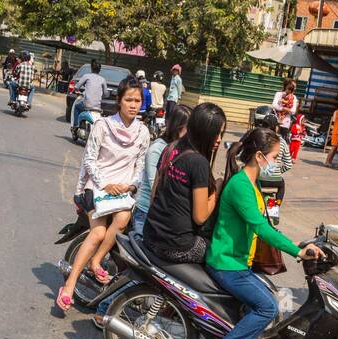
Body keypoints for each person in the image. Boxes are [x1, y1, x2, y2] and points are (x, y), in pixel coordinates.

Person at [202, 127, 321, 339]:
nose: (276, 163)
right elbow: (260, 227)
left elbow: (262, 227)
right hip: (227, 263)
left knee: (269, 300)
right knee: (267, 307)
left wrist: (297, 242)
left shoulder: (251, 184)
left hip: (238, 262)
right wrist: (297, 251)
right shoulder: (241, 186)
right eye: (275, 157)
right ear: (259, 156)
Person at [58, 77, 150, 312]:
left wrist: (129, 186)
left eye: (137, 100)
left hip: (123, 191)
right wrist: (102, 185)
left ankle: (96, 260)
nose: (133, 104)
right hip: (97, 187)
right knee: (98, 231)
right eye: (128, 99)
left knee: (122, 220)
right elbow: (89, 159)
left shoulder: (143, 133)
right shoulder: (102, 126)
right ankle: (69, 285)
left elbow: (140, 167)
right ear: (119, 101)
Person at [142, 102, 227, 265]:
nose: (219, 140)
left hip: (150, 236)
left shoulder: (170, 148)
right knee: (222, 255)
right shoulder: (199, 162)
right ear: (201, 132)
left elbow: (154, 197)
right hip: (178, 248)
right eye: (215, 134)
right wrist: (215, 190)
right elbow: (200, 217)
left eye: (221, 134)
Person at [133, 103, 190, 239]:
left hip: (167, 214)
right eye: (190, 128)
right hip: (146, 212)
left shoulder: (184, 150)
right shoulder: (157, 149)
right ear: (179, 127)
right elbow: (157, 187)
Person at [72, 58, 106, 126]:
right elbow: (106, 93)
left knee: (76, 106)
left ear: (91, 68)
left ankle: (75, 126)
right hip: (98, 107)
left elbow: (76, 87)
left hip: (86, 105)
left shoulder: (86, 76)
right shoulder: (103, 80)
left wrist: (74, 91)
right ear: (99, 70)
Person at [325, 101, 338, 167]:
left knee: (335, 148)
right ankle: (327, 162)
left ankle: (329, 161)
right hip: (337, 132)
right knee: (333, 147)